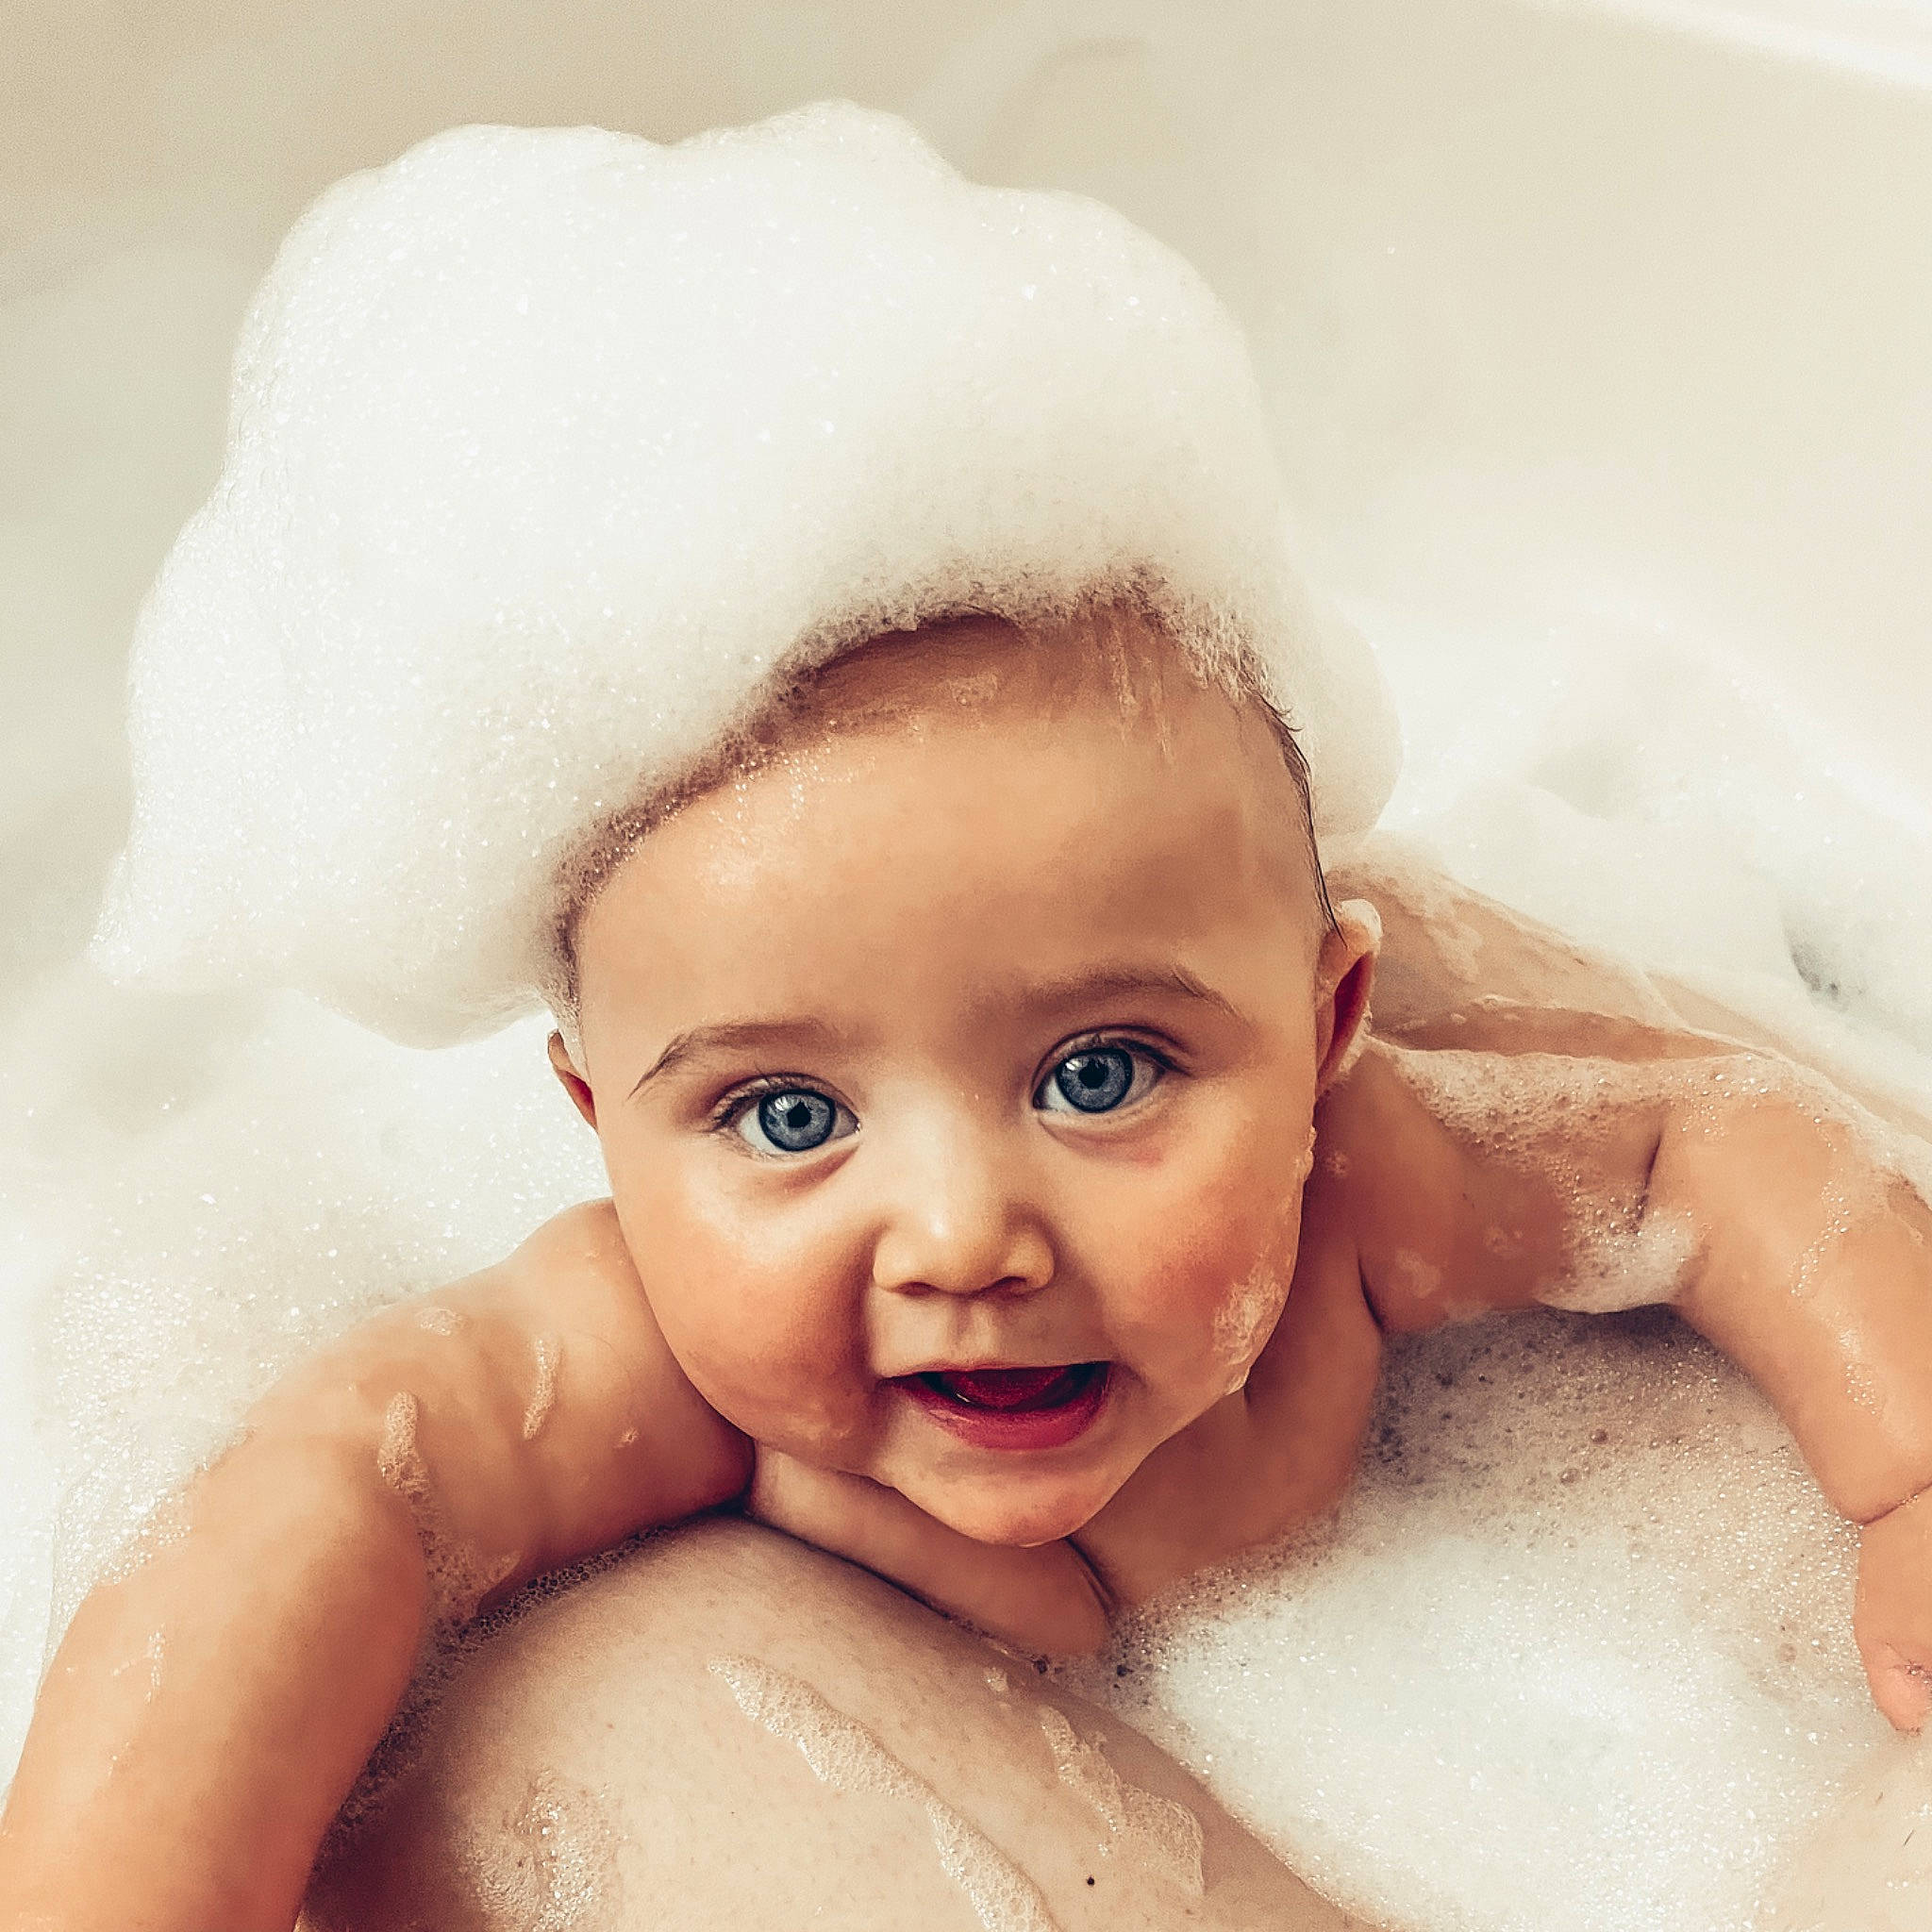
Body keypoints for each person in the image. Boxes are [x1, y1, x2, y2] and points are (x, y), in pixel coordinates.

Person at [5, 108, 1930, 1931]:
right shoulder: (648, 1354)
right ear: (594, 1119)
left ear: (1329, 1026)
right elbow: (335, 1491)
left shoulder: (1368, 1188)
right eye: (781, 1118)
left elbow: (1706, 1141)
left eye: (1100, 1075)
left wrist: (1908, 1469)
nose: (958, 1236)